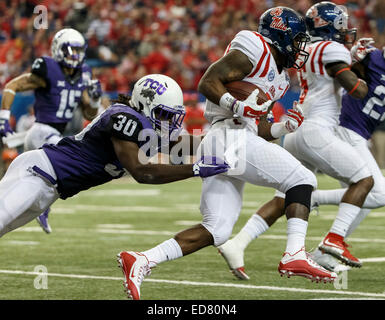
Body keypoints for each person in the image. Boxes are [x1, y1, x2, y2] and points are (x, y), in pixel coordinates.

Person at [117, 7, 337, 301]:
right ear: (280, 34)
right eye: (296, 39)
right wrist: (238, 106)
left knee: (217, 230)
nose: (299, 48)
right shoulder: (255, 47)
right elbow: (208, 81)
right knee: (303, 179)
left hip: (232, 140)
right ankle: (294, 253)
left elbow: (258, 128)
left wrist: (283, 127)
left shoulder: (282, 79)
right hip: (227, 137)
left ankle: (142, 259)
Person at [217, 2, 374, 279]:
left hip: (297, 126)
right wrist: (361, 67)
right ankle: (334, 239)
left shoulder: (307, 49)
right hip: (317, 129)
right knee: (364, 181)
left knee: (287, 196)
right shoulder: (332, 49)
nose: (344, 28)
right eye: (339, 23)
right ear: (330, 26)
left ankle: (237, 243)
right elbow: (356, 90)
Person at [0, 73, 228, 239]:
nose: (168, 122)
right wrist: (195, 169)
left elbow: (183, 145)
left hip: (51, 188)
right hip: (38, 173)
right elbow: (142, 172)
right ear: (144, 104)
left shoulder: (145, 125)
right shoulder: (125, 118)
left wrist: (226, 144)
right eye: (163, 115)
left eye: (172, 117)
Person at [0, 28, 103, 234]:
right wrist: (3, 118)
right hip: (40, 131)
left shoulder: (83, 74)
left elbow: (89, 114)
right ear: (58, 50)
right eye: (70, 50)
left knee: (45, 181)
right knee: (69, 161)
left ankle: (42, 205)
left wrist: (94, 99)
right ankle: (43, 205)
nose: (75, 55)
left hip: (53, 135)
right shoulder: (48, 68)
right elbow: (12, 86)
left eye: (78, 50)